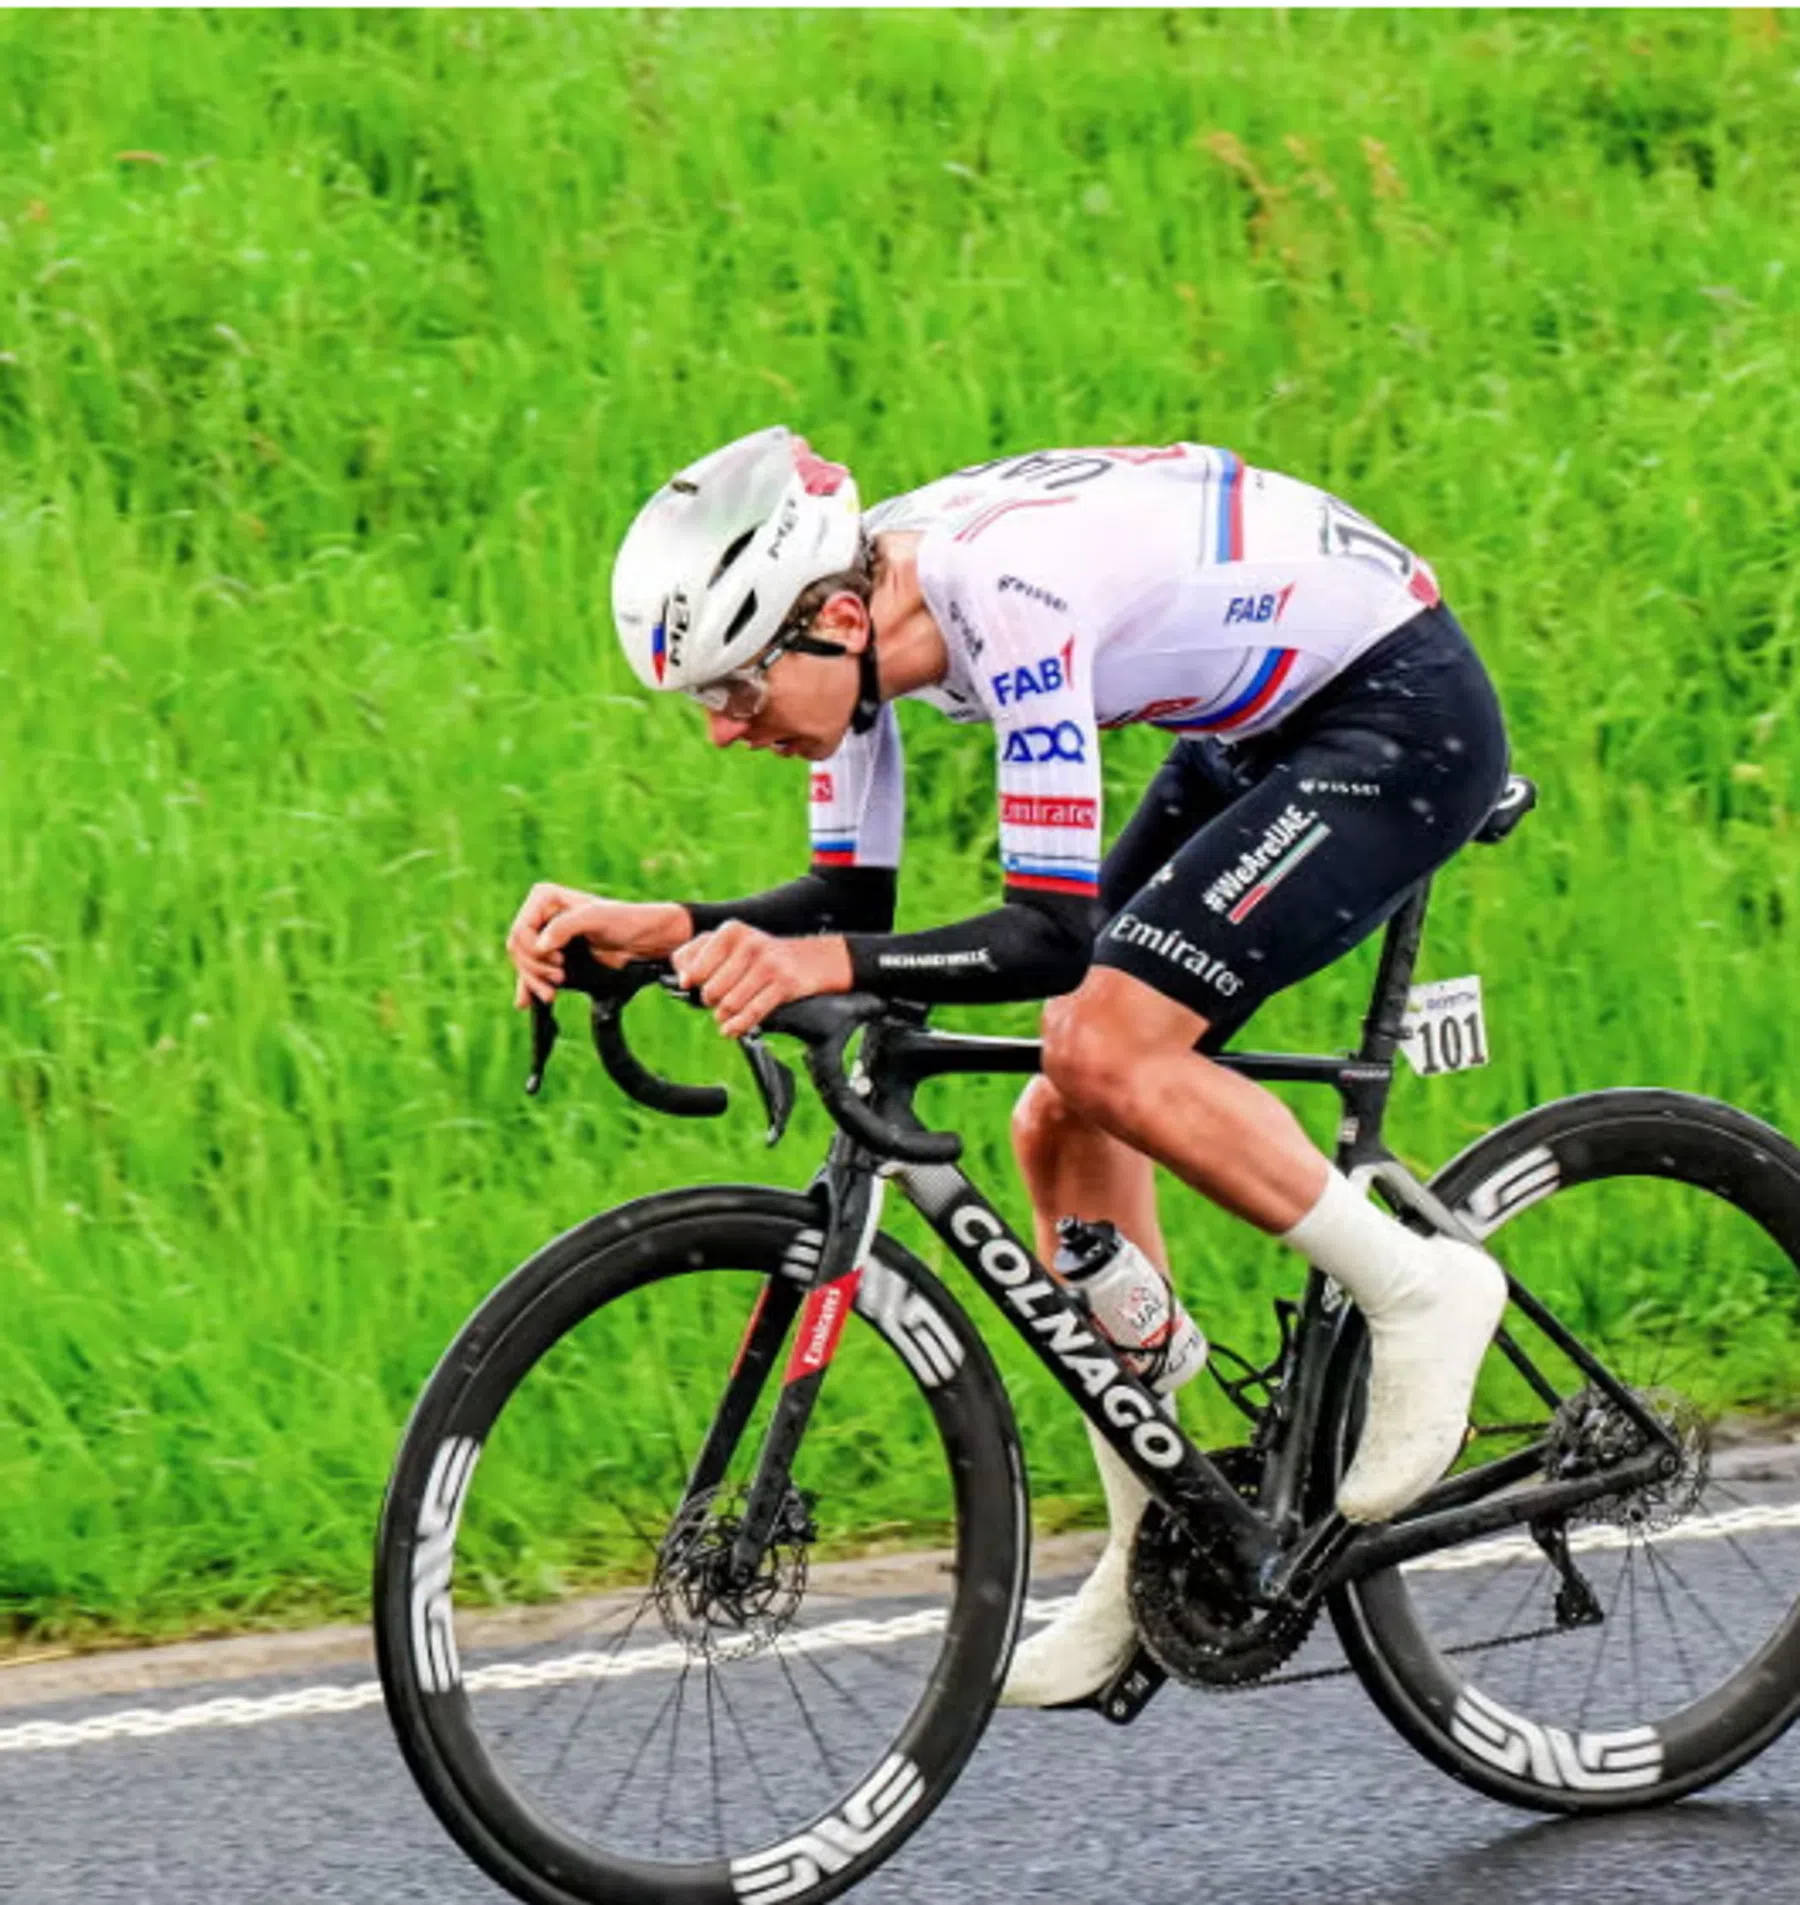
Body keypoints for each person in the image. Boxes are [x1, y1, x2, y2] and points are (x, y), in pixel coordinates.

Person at [505, 426, 1511, 1708]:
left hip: (1392, 719)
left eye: (737, 691)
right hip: (1248, 729)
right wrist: (674, 930)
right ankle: (1162, 1527)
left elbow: (1049, 936)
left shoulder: (1008, 598)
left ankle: (1421, 1290)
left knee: (1102, 1039)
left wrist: (818, 969)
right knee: (1057, 1122)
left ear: (834, 620)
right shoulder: (864, 633)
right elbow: (840, 898)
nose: (723, 730)